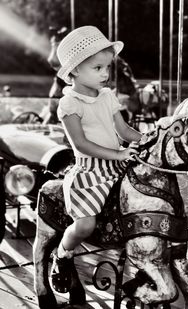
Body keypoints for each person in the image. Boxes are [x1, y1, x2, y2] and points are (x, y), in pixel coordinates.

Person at [50, 25, 142, 294]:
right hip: (89, 172)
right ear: (75, 70)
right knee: (85, 225)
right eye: (98, 68)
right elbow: (81, 144)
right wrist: (119, 153)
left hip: (117, 166)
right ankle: (62, 254)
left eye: (108, 68)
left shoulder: (107, 96)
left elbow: (124, 130)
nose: (105, 74)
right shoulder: (69, 104)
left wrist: (150, 138)